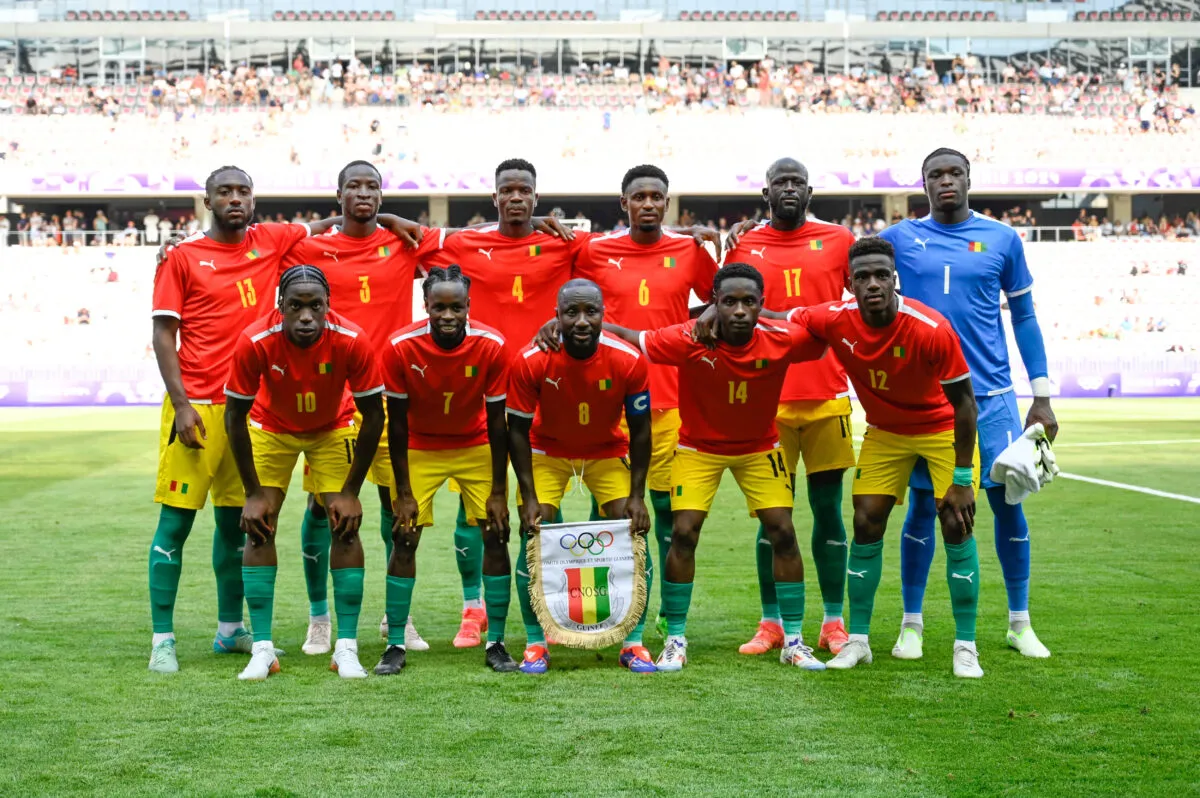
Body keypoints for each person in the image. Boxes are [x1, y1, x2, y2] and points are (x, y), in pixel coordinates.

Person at [146, 165, 409, 673]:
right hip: (200, 405)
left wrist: (393, 219)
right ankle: (163, 638)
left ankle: (230, 630)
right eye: (225, 192)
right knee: (175, 523)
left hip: (249, 409)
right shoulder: (182, 257)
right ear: (207, 201)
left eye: (244, 191)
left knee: (235, 524)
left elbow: (342, 218)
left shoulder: (273, 238)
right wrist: (179, 403)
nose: (236, 200)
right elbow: (162, 334)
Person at [603, 264, 828, 672]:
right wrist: (565, 324)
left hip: (761, 448)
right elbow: (633, 338)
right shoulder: (689, 338)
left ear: (762, 304)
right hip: (697, 448)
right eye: (729, 302)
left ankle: (793, 640)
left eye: (749, 302)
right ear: (714, 303)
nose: (739, 310)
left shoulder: (781, 338)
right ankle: (675, 639)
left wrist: (778, 315)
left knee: (783, 531)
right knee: (683, 532)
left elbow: (825, 330)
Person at [878, 148, 1056, 661]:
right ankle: (911, 624)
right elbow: (846, 268)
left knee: (1007, 505)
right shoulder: (899, 240)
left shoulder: (1003, 238)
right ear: (924, 184)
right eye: (936, 174)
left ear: (970, 179)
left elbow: (1023, 317)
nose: (946, 181)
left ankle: (1019, 622)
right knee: (922, 508)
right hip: (926, 400)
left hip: (993, 398)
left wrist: (1041, 395)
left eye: (955, 172)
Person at [779, 237, 982, 677]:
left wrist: (963, 477)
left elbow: (966, 405)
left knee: (955, 523)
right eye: (863, 277)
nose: (873, 284)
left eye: (882, 275)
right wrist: (711, 313)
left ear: (896, 279)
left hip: (941, 429)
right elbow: (785, 318)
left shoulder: (930, 327)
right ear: (849, 283)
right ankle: (859, 641)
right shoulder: (835, 318)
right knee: (866, 521)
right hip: (886, 433)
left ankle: (966, 646)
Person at [540, 163, 719, 640]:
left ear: (667, 202)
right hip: (603, 400)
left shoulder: (689, 250)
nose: (647, 204)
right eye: (637, 196)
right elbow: (544, 260)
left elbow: (720, 299)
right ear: (624, 204)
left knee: (659, 514)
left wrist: (690, 330)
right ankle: (602, 613)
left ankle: (655, 613)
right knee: (610, 513)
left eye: (655, 197)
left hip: (667, 401)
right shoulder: (593, 248)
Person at [282, 160, 443, 656]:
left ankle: (398, 619)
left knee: (395, 508)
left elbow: (471, 242)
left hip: (391, 396)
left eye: (372, 186)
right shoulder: (308, 250)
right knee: (322, 507)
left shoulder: (404, 243)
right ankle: (318, 618)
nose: (363, 193)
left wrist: (399, 221)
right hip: (332, 399)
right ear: (338, 195)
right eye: (353, 185)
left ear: (382, 194)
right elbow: (253, 250)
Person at [722, 158, 857, 657]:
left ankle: (833, 622)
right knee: (773, 517)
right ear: (766, 192)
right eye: (781, 182)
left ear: (810, 190)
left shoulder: (839, 241)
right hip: (767, 402)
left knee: (828, 512)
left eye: (797, 182)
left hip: (828, 398)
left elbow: (860, 304)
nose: (789, 189)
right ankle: (771, 621)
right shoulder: (743, 244)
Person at [224, 264, 385, 681]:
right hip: (271, 427)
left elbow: (373, 417)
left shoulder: (352, 339)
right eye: (296, 306)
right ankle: (262, 649)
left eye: (316, 306)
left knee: (345, 524)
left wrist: (351, 490)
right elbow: (234, 417)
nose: (307, 316)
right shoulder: (255, 340)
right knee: (259, 524)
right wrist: (252, 492)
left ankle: (346, 648)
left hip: (332, 427)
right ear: (281, 307)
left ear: (329, 306)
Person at [507, 279, 653, 674]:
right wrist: (529, 496)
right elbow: (516, 432)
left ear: (605, 315)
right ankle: (537, 644)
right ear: (556, 316)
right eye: (572, 312)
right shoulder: (531, 360)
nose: (583, 320)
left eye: (592, 312)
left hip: (606, 452)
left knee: (633, 529)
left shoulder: (628, 359)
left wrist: (638, 496)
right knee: (535, 531)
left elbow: (641, 431)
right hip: (547, 450)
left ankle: (634, 643)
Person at [377, 266, 514, 674]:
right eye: (439, 307)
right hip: (420, 447)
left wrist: (498, 491)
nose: (448, 315)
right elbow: (397, 424)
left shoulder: (491, 346)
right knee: (403, 539)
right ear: (426, 306)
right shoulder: (400, 347)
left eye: (457, 307)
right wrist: (402, 491)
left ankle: (497, 641)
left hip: (475, 447)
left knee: (495, 535)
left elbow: (498, 423)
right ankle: (395, 643)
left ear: (469, 306)